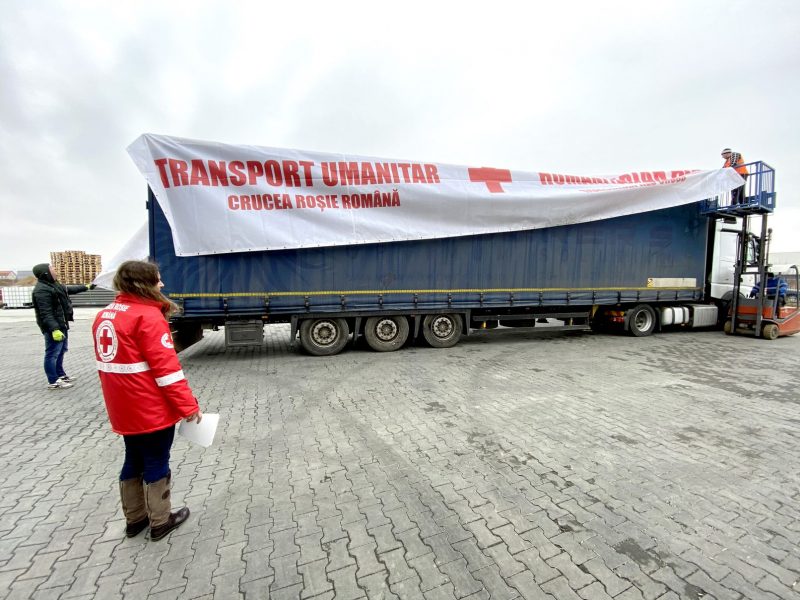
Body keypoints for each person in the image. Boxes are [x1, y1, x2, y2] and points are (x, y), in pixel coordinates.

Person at [92, 260, 203, 541]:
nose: (162, 284)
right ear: (144, 284)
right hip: (149, 407)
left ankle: (135, 519)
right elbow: (167, 372)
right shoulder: (147, 317)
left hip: (122, 408)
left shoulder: (106, 315)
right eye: (158, 279)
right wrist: (188, 407)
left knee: (133, 458)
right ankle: (161, 521)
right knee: (156, 460)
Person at [32, 263, 93, 390]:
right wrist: (54, 329)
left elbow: (69, 290)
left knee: (61, 351)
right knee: (52, 353)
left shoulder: (54, 285)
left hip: (61, 324)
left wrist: (87, 287)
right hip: (53, 328)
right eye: (52, 268)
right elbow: (46, 313)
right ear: (46, 273)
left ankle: (61, 374)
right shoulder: (41, 290)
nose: (55, 270)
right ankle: (53, 381)